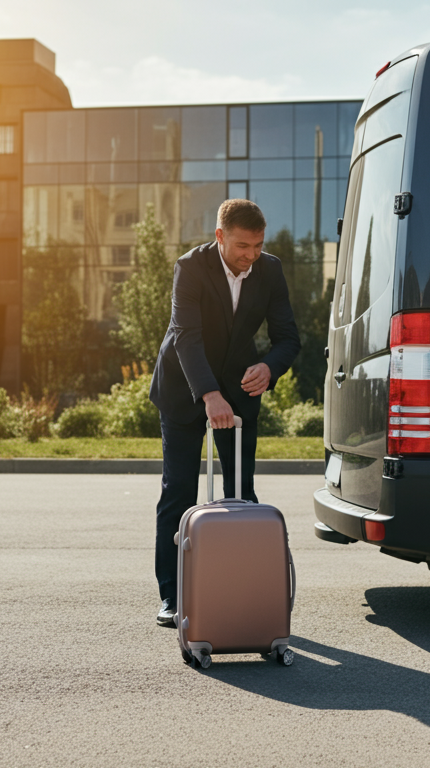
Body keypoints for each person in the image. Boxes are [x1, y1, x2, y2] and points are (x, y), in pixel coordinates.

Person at [149, 199, 301, 626]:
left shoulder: (269, 270)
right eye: (241, 246)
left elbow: (289, 337)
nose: (250, 255)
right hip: (184, 388)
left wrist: (269, 367)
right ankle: (172, 597)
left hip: (239, 390)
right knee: (178, 491)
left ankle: (242, 592)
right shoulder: (190, 268)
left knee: (241, 494)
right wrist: (209, 395)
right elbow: (186, 338)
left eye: (257, 245)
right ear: (220, 236)